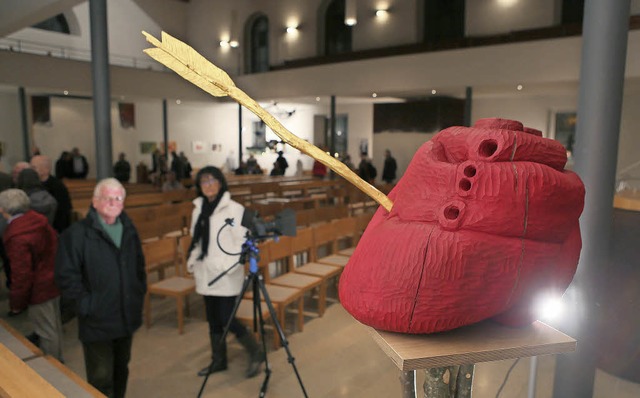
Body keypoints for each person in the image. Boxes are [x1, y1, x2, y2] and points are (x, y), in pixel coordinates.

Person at [55, 178, 146, 398]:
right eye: (107, 197)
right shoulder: (76, 234)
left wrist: (138, 293)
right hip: (97, 320)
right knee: (100, 377)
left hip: (125, 315)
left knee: (121, 370)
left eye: (118, 198)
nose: (113, 202)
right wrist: (87, 306)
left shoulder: (129, 229)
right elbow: (66, 277)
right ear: (95, 201)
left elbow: (139, 267)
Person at [187, 166, 264, 378]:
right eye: (204, 182)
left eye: (212, 180)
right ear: (199, 186)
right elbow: (197, 239)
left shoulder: (234, 209)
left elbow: (242, 243)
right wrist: (193, 261)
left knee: (226, 318)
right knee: (212, 319)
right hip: (205, 272)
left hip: (226, 274)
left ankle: (256, 351)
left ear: (221, 183)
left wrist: (224, 265)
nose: (209, 185)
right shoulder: (198, 209)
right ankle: (218, 360)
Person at [0, 189, 63, 361]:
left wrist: (17, 302)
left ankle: (54, 368)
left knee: (46, 331)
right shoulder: (38, 220)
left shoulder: (17, 235)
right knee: (54, 327)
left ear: (3, 209)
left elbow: (22, 274)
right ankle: (58, 360)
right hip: (53, 278)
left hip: (39, 287)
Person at [31, 155, 73, 234]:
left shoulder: (57, 186)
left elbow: (63, 212)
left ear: (46, 169)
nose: (31, 171)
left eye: (34, 168)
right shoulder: (33, 184)